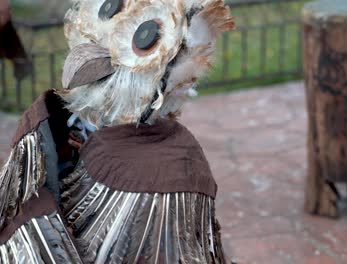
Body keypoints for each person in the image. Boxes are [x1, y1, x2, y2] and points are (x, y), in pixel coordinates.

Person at [0, 0, 235, 262]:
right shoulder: (51, 120)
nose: (105, 45)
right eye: (109, 8)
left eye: (145, 37)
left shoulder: (172, 169)